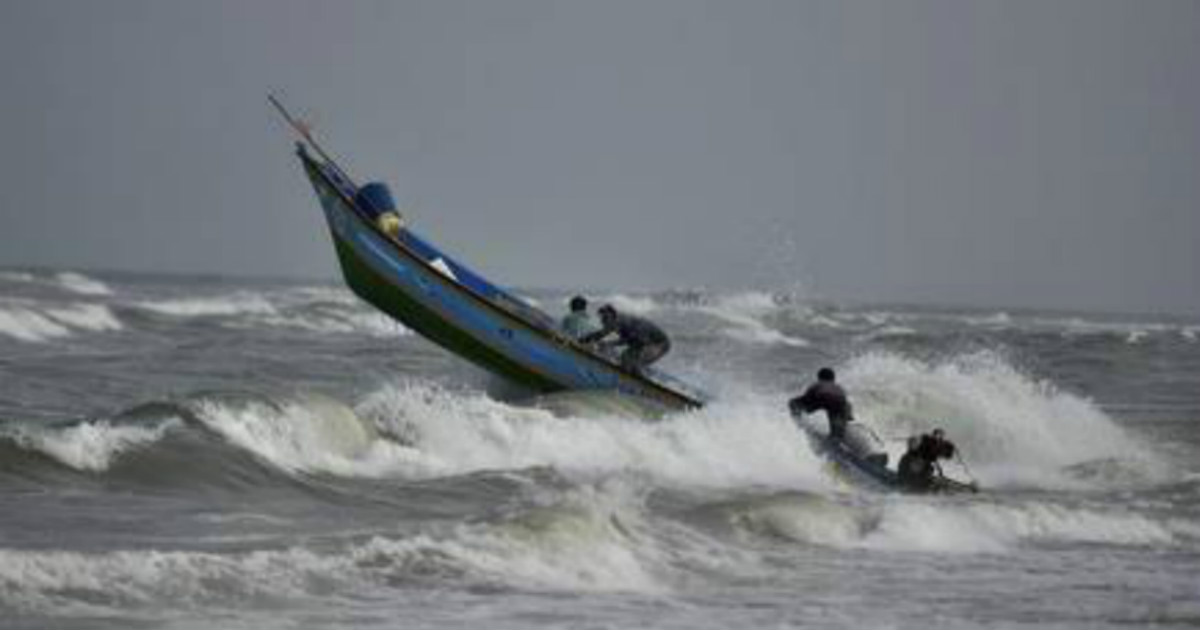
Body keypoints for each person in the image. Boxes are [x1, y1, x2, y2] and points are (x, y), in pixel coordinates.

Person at [579, 304, 671, 375]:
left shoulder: (625, 322)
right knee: (624, 359)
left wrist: (609, 344)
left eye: (605, 318)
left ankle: (642, 386)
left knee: (633, 363)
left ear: (612, 316)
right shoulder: (615, 321)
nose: (602, 321)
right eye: (602, 318)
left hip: (659, 344)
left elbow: (636, 342)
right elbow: (601, 334)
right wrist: (583, 340)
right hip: (641, 341)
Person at [788, 367, 854, 440]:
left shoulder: (818, 384)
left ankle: (798, 425)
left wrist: (805, 409)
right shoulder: (839, 387)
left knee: (793, 403)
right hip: (839, 402)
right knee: (837, 428)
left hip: (822, 398)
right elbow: (846, 403)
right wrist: (848, 416)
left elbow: (808, 396)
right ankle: (837, 435)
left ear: (819, 378)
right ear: (833, 379)